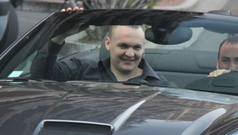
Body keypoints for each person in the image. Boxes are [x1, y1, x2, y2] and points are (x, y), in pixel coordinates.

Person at [30, 9, 166, 85]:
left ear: (143, 47)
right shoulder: (82, 71)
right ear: (108, 43)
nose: (130, 54)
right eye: (123, 46)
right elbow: (40, 75)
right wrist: (61, 35)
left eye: (136, 47)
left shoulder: (160, 86)